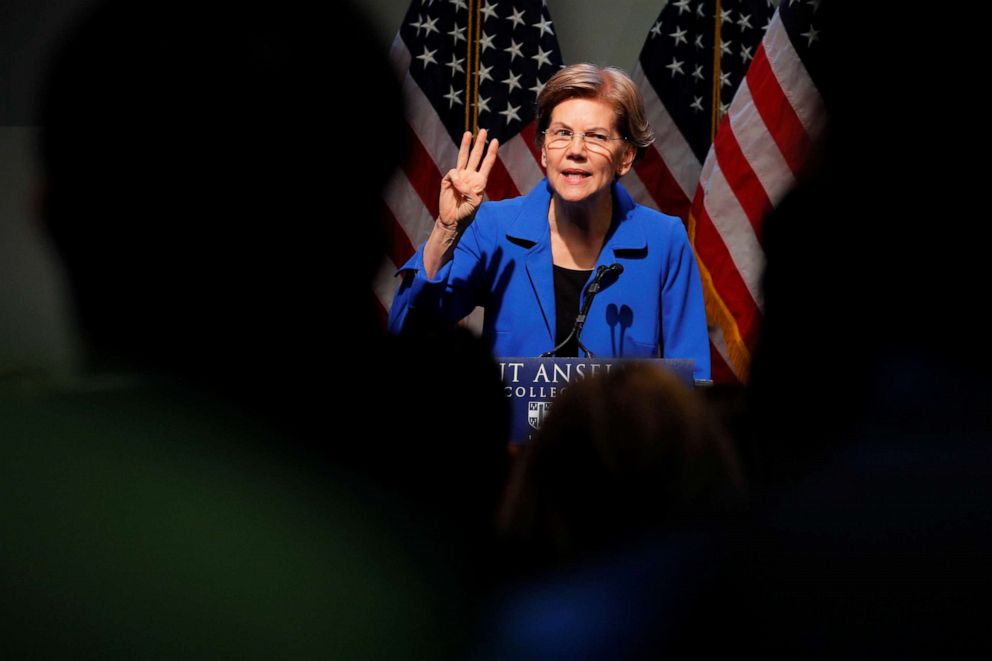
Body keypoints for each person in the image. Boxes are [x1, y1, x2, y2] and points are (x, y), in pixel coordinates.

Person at [388, 63, 711, 381]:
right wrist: (446, 230)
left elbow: (693, 378)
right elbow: (410, 332)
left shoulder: (664, 240)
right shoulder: (493, 227)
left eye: (596, 137)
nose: (575, 150)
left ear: (625, 156)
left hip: (621, 433)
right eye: (562, 134)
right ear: (543, 151)